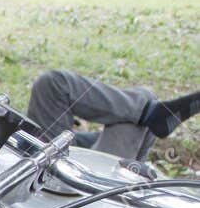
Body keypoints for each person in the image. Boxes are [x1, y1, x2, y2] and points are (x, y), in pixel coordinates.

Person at [27, 69, 200, 162]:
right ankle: (153, 114)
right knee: (52, 83)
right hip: (64, 177)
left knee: (52, 83)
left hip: (50, 161)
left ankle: (152, 113)